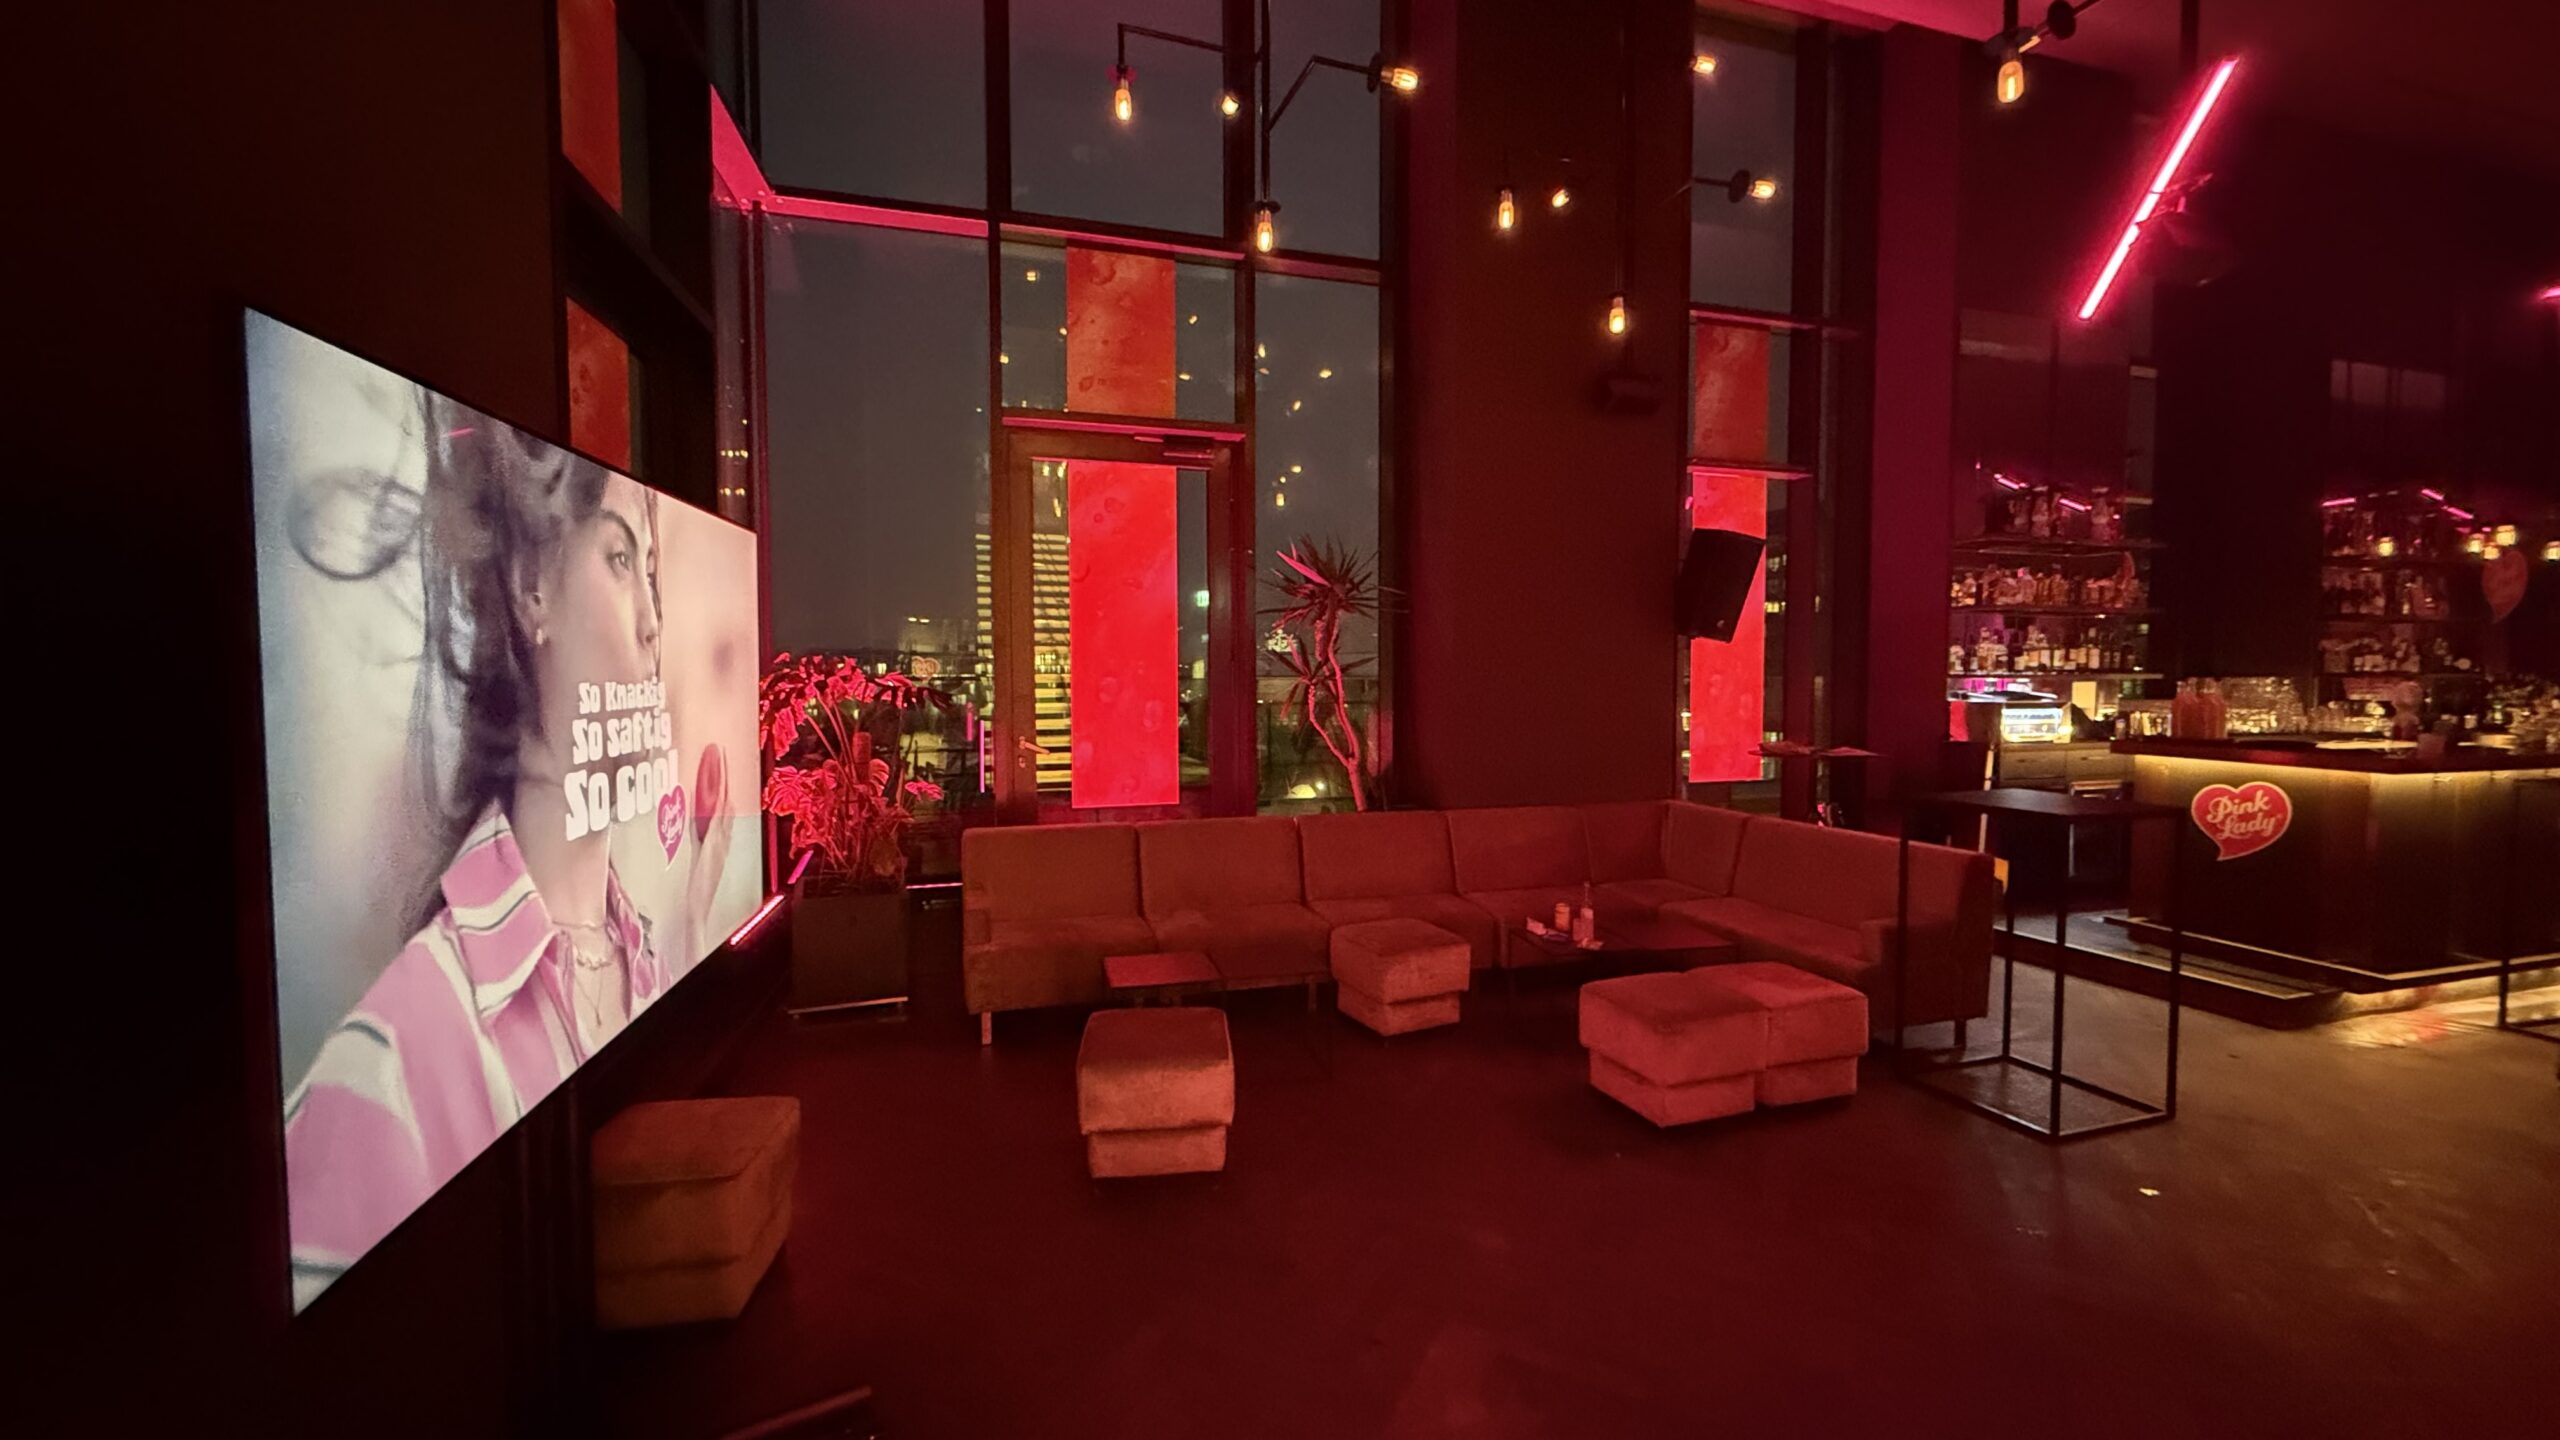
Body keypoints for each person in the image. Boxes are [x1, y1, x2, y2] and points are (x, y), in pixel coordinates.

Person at [281, 396, 729, 1308]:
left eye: (652, 573)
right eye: (619, 560)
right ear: (532, 586)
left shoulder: (649, 955)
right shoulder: (383, 1078)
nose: (654, 624)